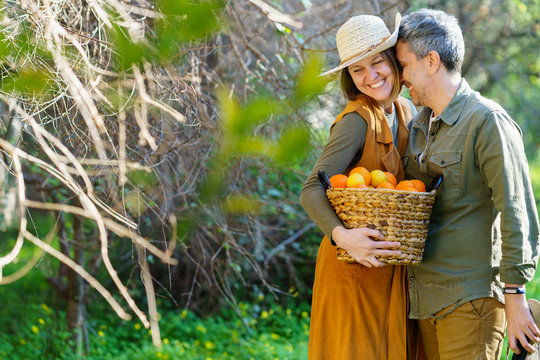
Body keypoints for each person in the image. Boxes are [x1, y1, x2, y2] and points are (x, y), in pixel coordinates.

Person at [396, 8, 540, 359]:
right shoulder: (418, 127)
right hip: (423, 302)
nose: (400, 78)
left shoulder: (486, 121)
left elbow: (516, 210)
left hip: (469, 303)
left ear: (431, 60)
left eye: (403, 66)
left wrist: (516, 296)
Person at [300, 13, 421, 359]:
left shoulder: (406, 110)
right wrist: (345, 238)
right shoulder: (356, 120)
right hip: (352, 268)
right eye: (357, 69)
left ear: (393, 61)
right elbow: (311, 189)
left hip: (388, 268)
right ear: (349, 77)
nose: (370, 76)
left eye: (377, 62)